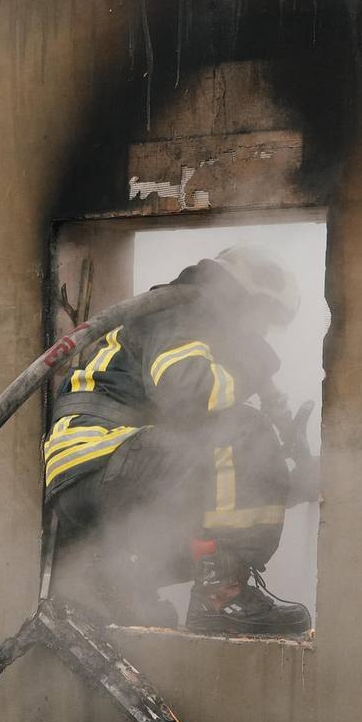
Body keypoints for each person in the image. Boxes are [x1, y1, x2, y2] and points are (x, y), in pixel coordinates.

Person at [43, 246, 317, 637]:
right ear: (241, 297)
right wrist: (252, 361)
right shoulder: (187, 311)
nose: (260, 332)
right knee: (245, 428)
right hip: (106, 456)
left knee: (216, 492)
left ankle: (117, 587)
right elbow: (186, 394)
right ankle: (221, 595)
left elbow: (228, 484)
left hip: (89, 477)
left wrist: (289, 484)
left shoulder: (176, 316)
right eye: (263, 319)